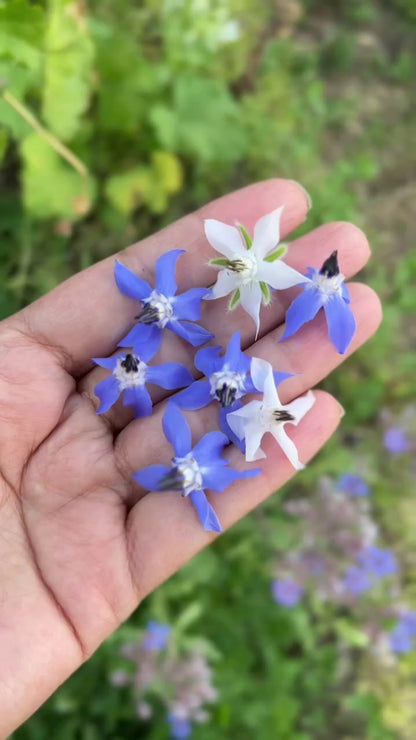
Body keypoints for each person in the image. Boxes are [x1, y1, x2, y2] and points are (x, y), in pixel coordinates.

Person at [0, 179, 381, 736]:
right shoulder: (160, 358)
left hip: (212, 390)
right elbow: (187, 366)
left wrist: (242, 404)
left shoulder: (215, 378)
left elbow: (212, 386)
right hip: (192, 382)